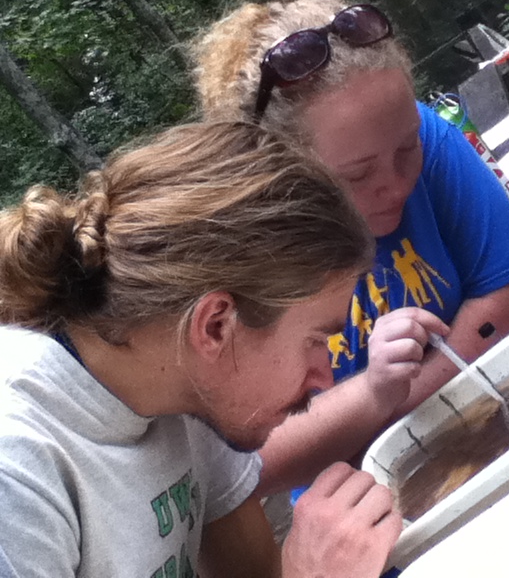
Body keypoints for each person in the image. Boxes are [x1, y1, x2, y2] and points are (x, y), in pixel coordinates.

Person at [0, 120, 447, 577]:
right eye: (317, 340)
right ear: (215, 326)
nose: (326, 375)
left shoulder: (184, 384)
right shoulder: (17, 471)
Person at [191, 0, 509, 494]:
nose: (397, 185)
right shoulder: (243, 267)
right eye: (356, 175)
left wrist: (387, 406)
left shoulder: (427, 135)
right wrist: (376, 393)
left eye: (407, 149)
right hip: (374, 506)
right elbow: (251, 463)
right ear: (280, 173)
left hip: (507, 427)